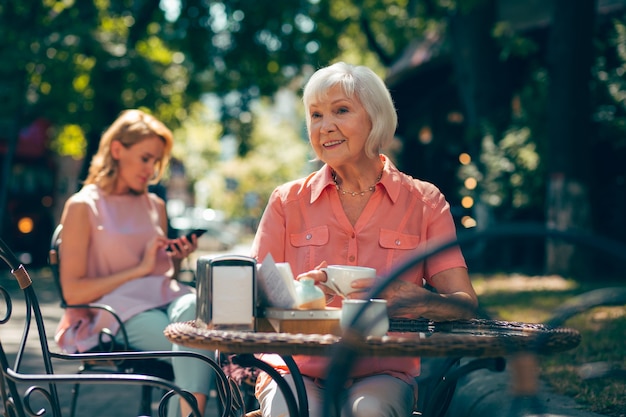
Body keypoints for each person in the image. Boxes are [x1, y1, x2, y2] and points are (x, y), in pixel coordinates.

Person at [250, 62, 479, 417]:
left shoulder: (424, 202)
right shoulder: (285, 201)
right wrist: (300, 296)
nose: (326, 126)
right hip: (294, 369)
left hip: (383, 371)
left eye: (341, 110)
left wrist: (414, 300)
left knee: (369, 411)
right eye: (316, 115)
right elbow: (256, 299)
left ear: (375, 118)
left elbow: (464, 303)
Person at [54, 109, 214, 416]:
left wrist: (176, 261)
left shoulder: (155, 204)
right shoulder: (82, 206)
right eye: (145, 158)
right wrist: (138, 269)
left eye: (157, 161)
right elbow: (73, 293)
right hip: (115, 311)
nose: (151, 170)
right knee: (195, 346)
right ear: (117, 150)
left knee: (200, 313)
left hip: (168, 298)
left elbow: (162, 275)